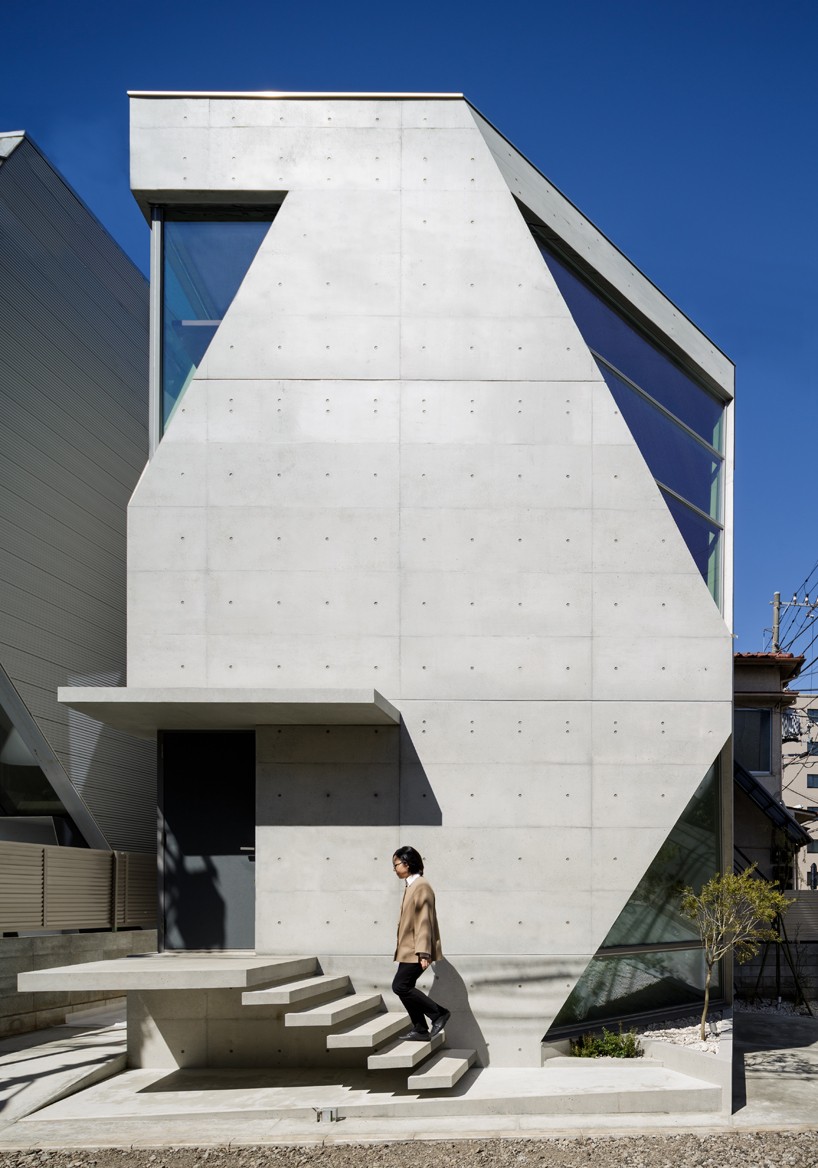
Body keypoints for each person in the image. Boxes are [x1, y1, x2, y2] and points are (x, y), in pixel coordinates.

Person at [391, 845, 450, 1040]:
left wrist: (424, 952)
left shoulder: (421, 885)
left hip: (416, 949)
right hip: (409, 949)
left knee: (400, 986)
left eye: (396, 864)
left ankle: (438, 1013)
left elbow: (424, 919)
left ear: (407, 863)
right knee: (403, 987)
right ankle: (419, 1028)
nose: (394, 868)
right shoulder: (411, 885)